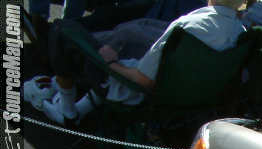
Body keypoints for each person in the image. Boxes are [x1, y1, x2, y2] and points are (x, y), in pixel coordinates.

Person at [24, 0, 245, 124]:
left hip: (138, 90)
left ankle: (67, 111)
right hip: (188, 99)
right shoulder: (241, 34)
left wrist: (112, 64)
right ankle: (70, 98)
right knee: (124, 32)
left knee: (64, 31)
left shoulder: (187, 26)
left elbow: (142, 79)